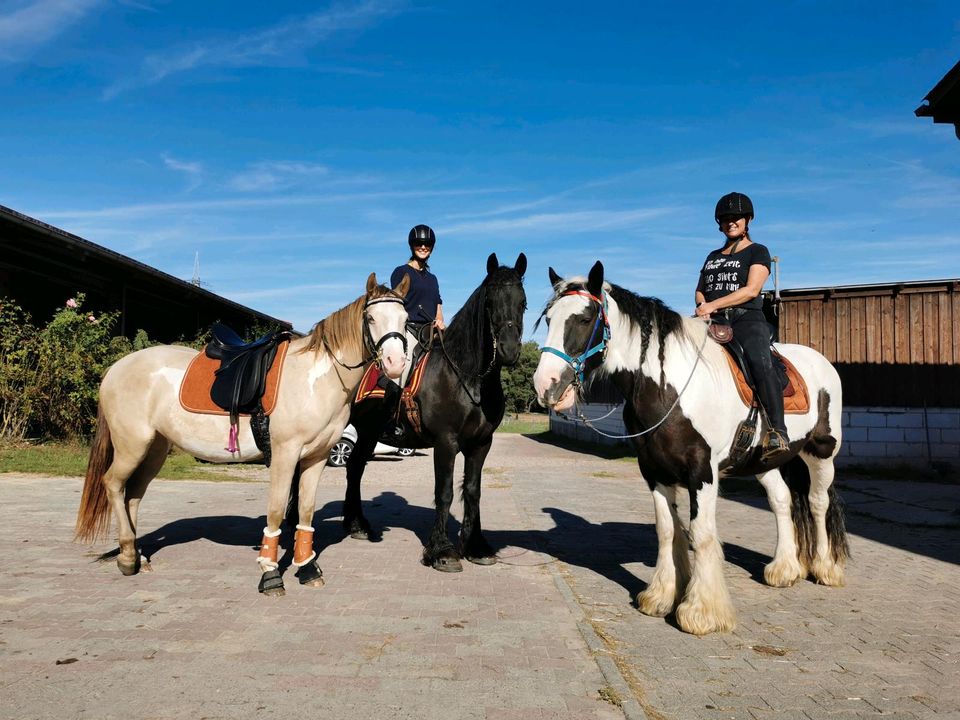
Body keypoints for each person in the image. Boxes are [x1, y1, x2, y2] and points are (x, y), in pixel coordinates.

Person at [695, 192, 789, 461]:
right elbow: (700, 290)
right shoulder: (712, 256)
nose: (730, 222)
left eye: (735, 218)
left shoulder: (758, 251)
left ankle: (777, 431)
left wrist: (713, 305)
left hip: (747, 318)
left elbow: (751, 290)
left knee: (760, 362)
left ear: (747, 220)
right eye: (725, 219)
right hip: (713, 319)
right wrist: (703, 306)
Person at [391, 224, 444, 341]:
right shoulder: (401, 272)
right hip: (409, 331)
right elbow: (395, 305)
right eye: (419, 243)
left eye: (427, 244)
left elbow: (438, 305)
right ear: (412, 246)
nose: (423, 247)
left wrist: (440, 321)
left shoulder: (433, 278)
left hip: (431, 332)